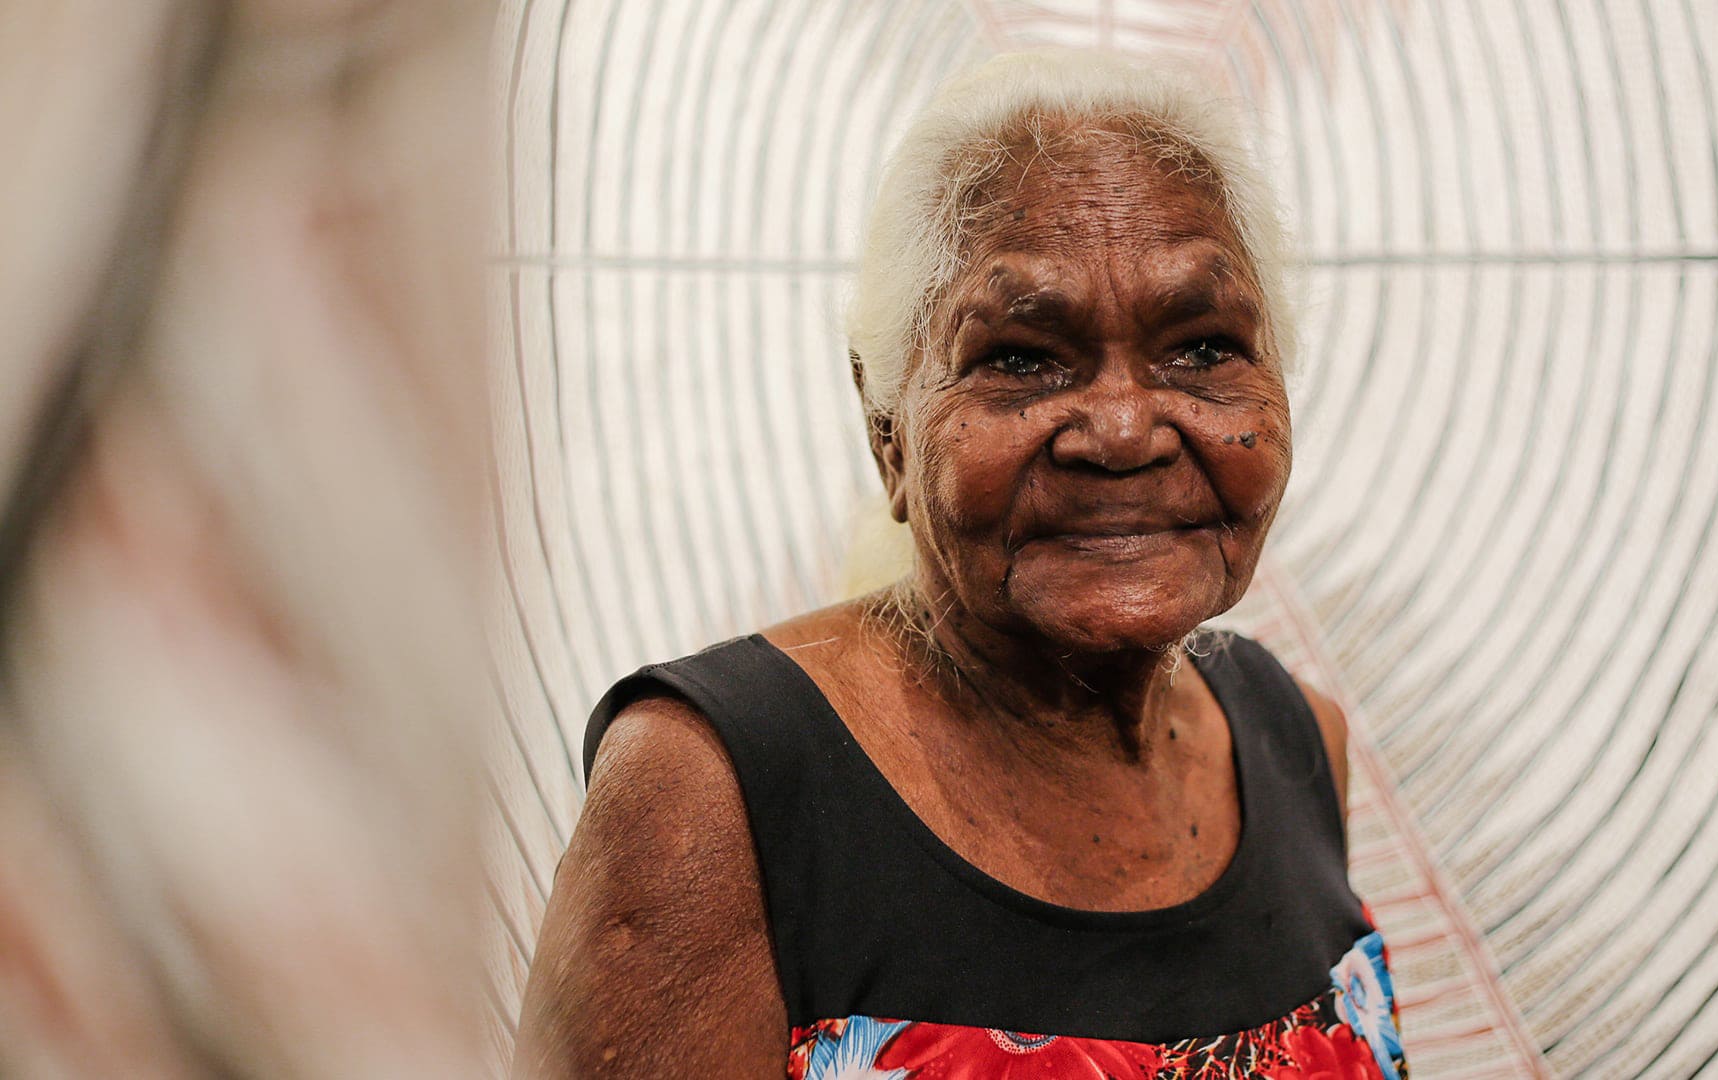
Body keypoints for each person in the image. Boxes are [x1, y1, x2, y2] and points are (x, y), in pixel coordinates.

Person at [513, 50, 1407, 1080]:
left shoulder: (1296, 742)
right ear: (887, 428)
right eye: (1021, 357)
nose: (1121, 430)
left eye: (1203, 347)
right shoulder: (716, 791)